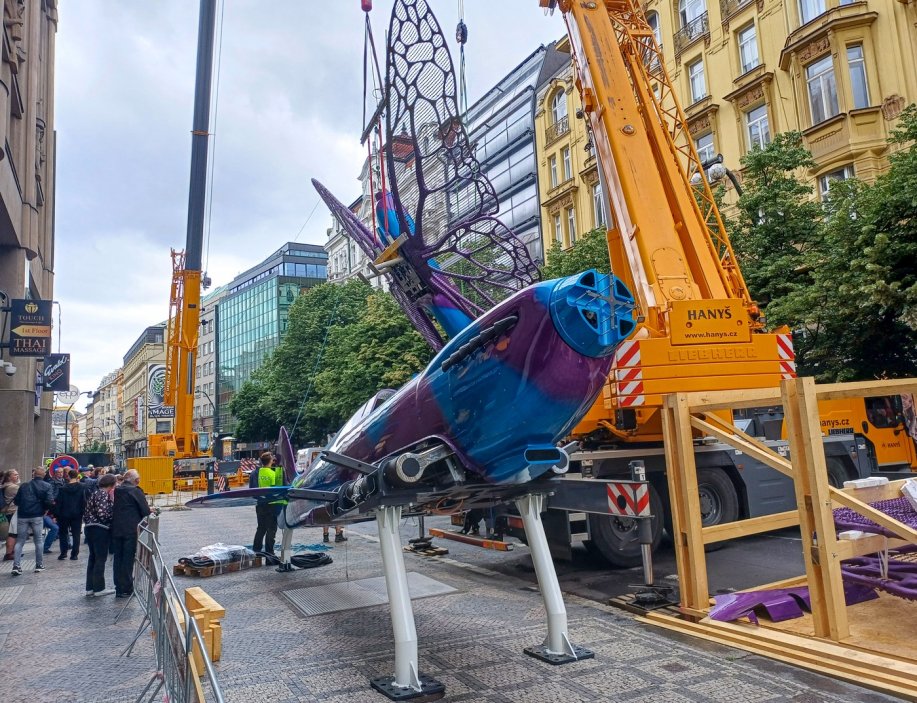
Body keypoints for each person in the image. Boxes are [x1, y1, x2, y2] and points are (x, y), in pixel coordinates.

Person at [110, 469, 150, 598]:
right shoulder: (135, 491)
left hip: (117, 528)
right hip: (130, 529)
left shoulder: (118, 490)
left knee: (118, 558)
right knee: (128, 559)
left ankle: (118, 588)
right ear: (136, 480)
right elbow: (145, 511)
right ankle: (126, 588)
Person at [11, 467, 55, 576]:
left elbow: (16, 501)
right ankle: (39, 565)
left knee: (20, 541)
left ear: (34, 474)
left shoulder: (24, 486)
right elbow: (49, 501)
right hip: (37, 515)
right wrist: (45, 510)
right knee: (38, 540)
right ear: (44, 475)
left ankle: (16, 566)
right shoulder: (47, 486)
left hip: (23, 515)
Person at [84, 473, 117, 596]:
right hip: (100, 529)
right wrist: (112, 517)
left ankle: (90, 587)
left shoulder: (95, 493)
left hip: (90, 527)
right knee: (100, 558)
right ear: (112, 484)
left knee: (92, 557)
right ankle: (99, 588)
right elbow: (102, 513)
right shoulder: (103, 494)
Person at [250, 452, 282, 554]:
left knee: (261, 528)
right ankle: (269, 553)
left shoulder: (255, 473)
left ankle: (256, 551)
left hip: (260, 504)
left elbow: (252, 490)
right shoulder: (273, 474)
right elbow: (278, 491)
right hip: (272, 505)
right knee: (271, 530)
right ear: (271, 461)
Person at [54, 469, 86, 560]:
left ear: (68, 476)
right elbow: (84, 500)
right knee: (76, 534)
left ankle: (63, 553)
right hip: (77, 513)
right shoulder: (82, 487)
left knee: (63, 533)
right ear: (77, 476)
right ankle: (74, 554)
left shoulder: (63, 488)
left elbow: (59, 502)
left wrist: (56, 515)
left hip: (64, 513)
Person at [1, 470, 20, 561]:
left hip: (8, 511)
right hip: (12, 511)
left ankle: (11, 552)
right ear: (9, 477)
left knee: (11, 533)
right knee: (12, 534)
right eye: (15, 475)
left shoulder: (5, 486)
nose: (17, 476)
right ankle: (9, 553)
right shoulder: (13, 487)